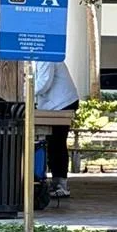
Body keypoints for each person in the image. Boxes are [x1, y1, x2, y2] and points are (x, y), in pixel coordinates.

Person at [31, 59, 79, 198]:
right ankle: (56, 181)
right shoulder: (39, 58)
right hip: (55, 103)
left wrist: (23, 92)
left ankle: (61, 184)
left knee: (57, 143)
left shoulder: (46, 57)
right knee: (53, 144)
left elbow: (43, 83)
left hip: (62, 103)